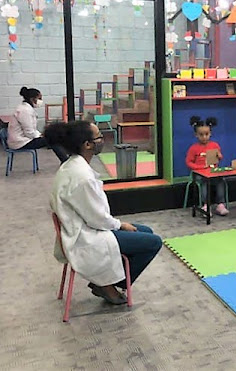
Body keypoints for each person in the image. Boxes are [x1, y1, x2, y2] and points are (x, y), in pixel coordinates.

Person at [45, 120, 162, 305]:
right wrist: (120, 225)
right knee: (153, 242)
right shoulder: (82, 176)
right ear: (87, 144)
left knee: (145, 232)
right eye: (99, 136)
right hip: (86, 236)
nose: (102, 139)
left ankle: (109, 282)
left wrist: (118, 225)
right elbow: (97, 219)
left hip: (81, 228)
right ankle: (108, 285)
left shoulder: (71, 165)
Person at [8, 87, 68, 163]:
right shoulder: (25, 111)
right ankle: (65, 161)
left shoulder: (25, 108)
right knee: (53, 139)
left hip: (23, 139)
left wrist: (40, 134)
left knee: (52, 138)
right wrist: (41, 135)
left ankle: (65, 160)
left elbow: (31, 130)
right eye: (39, 98)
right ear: (32, 99)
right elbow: (29, 132)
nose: (41, 101)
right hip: (20, 142)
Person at [185, 116, 228, 216]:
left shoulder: (214, 145)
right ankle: (205, 205)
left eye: (206, 134)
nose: (204, 137)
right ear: (196, 135)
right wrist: (199, 168)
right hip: (199, 174)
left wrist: (219, 156)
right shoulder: (194, 148)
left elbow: (218, 159)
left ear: (210, 133)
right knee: (204, 182)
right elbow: (188, 162)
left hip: (212, 171)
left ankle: (220, 205)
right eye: (201, 135)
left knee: (220, 180)